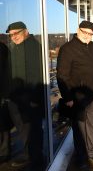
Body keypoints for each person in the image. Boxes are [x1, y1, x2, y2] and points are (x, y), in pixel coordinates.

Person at [56, 20, 93, 166]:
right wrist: (68, 97)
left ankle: (91, 150)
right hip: (78, 97)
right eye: (85, 32)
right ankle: (82, 156)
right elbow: (62, 75)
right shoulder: (68, 49)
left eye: (90, 34)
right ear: (78, 30)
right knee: (80, 129)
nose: (87, 36)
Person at [5, 21, 44, 169]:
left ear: (26, 31)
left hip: (29, 99)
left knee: (32, 129)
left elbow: (37, 75)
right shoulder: (17, 47)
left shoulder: (32, 47)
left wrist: (34, 99)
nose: (13, 37)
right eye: (11, 35)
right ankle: (30, 155)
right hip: (17, 98)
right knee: (24, 129)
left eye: (16, 33)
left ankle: (36, 159)